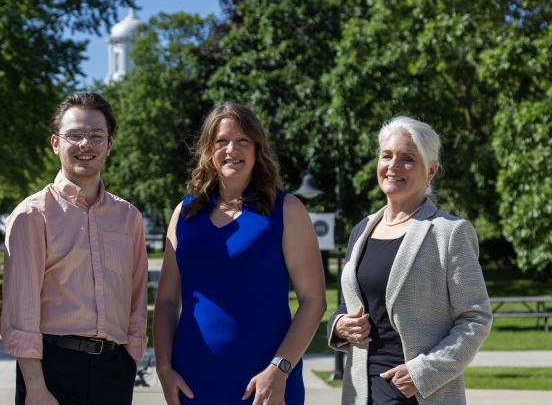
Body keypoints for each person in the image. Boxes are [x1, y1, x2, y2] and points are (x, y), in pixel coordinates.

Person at [153, 103, 327, 405]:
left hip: (266, 387)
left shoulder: (286, 210)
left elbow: (314, 301)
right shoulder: (184, 213)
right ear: (209, 149)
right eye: (221, 141)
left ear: (257, 148)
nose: (231, 149)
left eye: (242, 140)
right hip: (193, 383)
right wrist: (164, 368)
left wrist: (280, 368)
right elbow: (167, 301)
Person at [328, 116, 492, 405]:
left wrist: (423, 372)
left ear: (431, 170)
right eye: (387, 156)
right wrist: (339, 325)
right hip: (360, 394)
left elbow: (476, 319)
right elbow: (350, 304)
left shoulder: (450, 233)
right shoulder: (361, 230)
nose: (393, 166)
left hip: (419, 395)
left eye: (407, 159)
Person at [0, 92, 148, 405]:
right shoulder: (32, 215)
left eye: (96, 135)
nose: (86, 144)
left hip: (115, 371)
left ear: (109, 144)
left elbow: (136, 295)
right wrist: (36, 388)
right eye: (75, 135)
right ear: (55, 143)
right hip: (51, 372)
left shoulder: (129, 218)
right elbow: (20, 311)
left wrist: (131, 356)